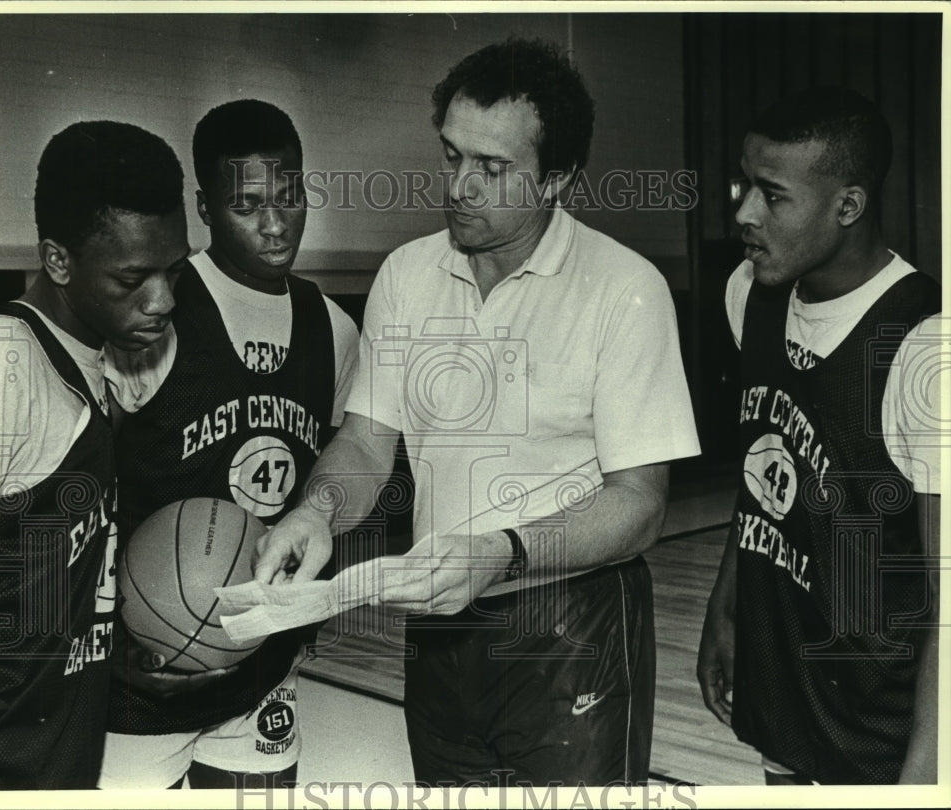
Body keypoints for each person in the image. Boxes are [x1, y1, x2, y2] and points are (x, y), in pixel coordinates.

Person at [253, 39, 700, 786]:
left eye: (491, 169)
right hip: (438, 627)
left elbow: (640, 505)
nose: (461, 186)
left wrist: (504, 551)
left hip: (572, 625)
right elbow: (365, 444)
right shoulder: (405, 274)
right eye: (452, 156)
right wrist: (316, 510)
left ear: (557, 178)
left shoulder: (626, 288)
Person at [98, 99, 359, 790]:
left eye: (290, 195)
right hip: (144, 671)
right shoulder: (157, 311)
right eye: (246, 204)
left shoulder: (333, 329)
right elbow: (85, 487)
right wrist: (103, 638)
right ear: (204, 206)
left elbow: (337, 478)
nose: (275, 224)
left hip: (260, 668)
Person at [697, 87, 941, 785]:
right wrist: (727, 604)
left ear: (848, 206)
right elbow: (764, 474)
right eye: (743, 183)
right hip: (788, 683)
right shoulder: (749, 293)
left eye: (771, 196)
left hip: (881, 727)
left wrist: (926, 772)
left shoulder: (928, 344)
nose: (741, 212)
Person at [0, 121, 189, 789]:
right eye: (133, 278)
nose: (164, 299)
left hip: (58, 762)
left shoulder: (88, 363)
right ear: (58, 261)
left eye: (173, 270)